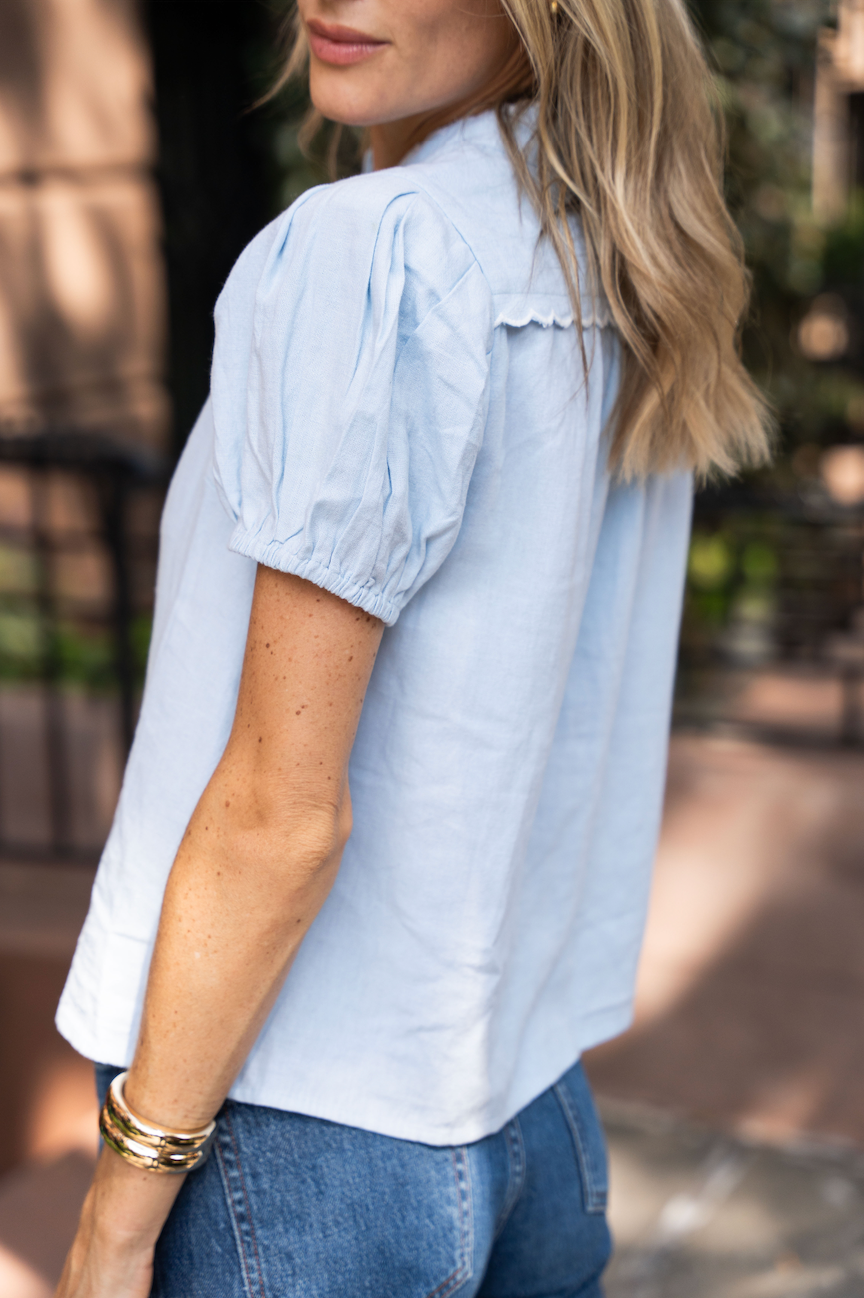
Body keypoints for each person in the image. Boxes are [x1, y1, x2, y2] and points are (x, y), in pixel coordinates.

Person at [55, 1, 770, 1294]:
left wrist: (120, 1203)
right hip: (531, 1119)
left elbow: (283, 811)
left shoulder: (376, 252)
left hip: (287, 1129)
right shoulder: (605, 253)